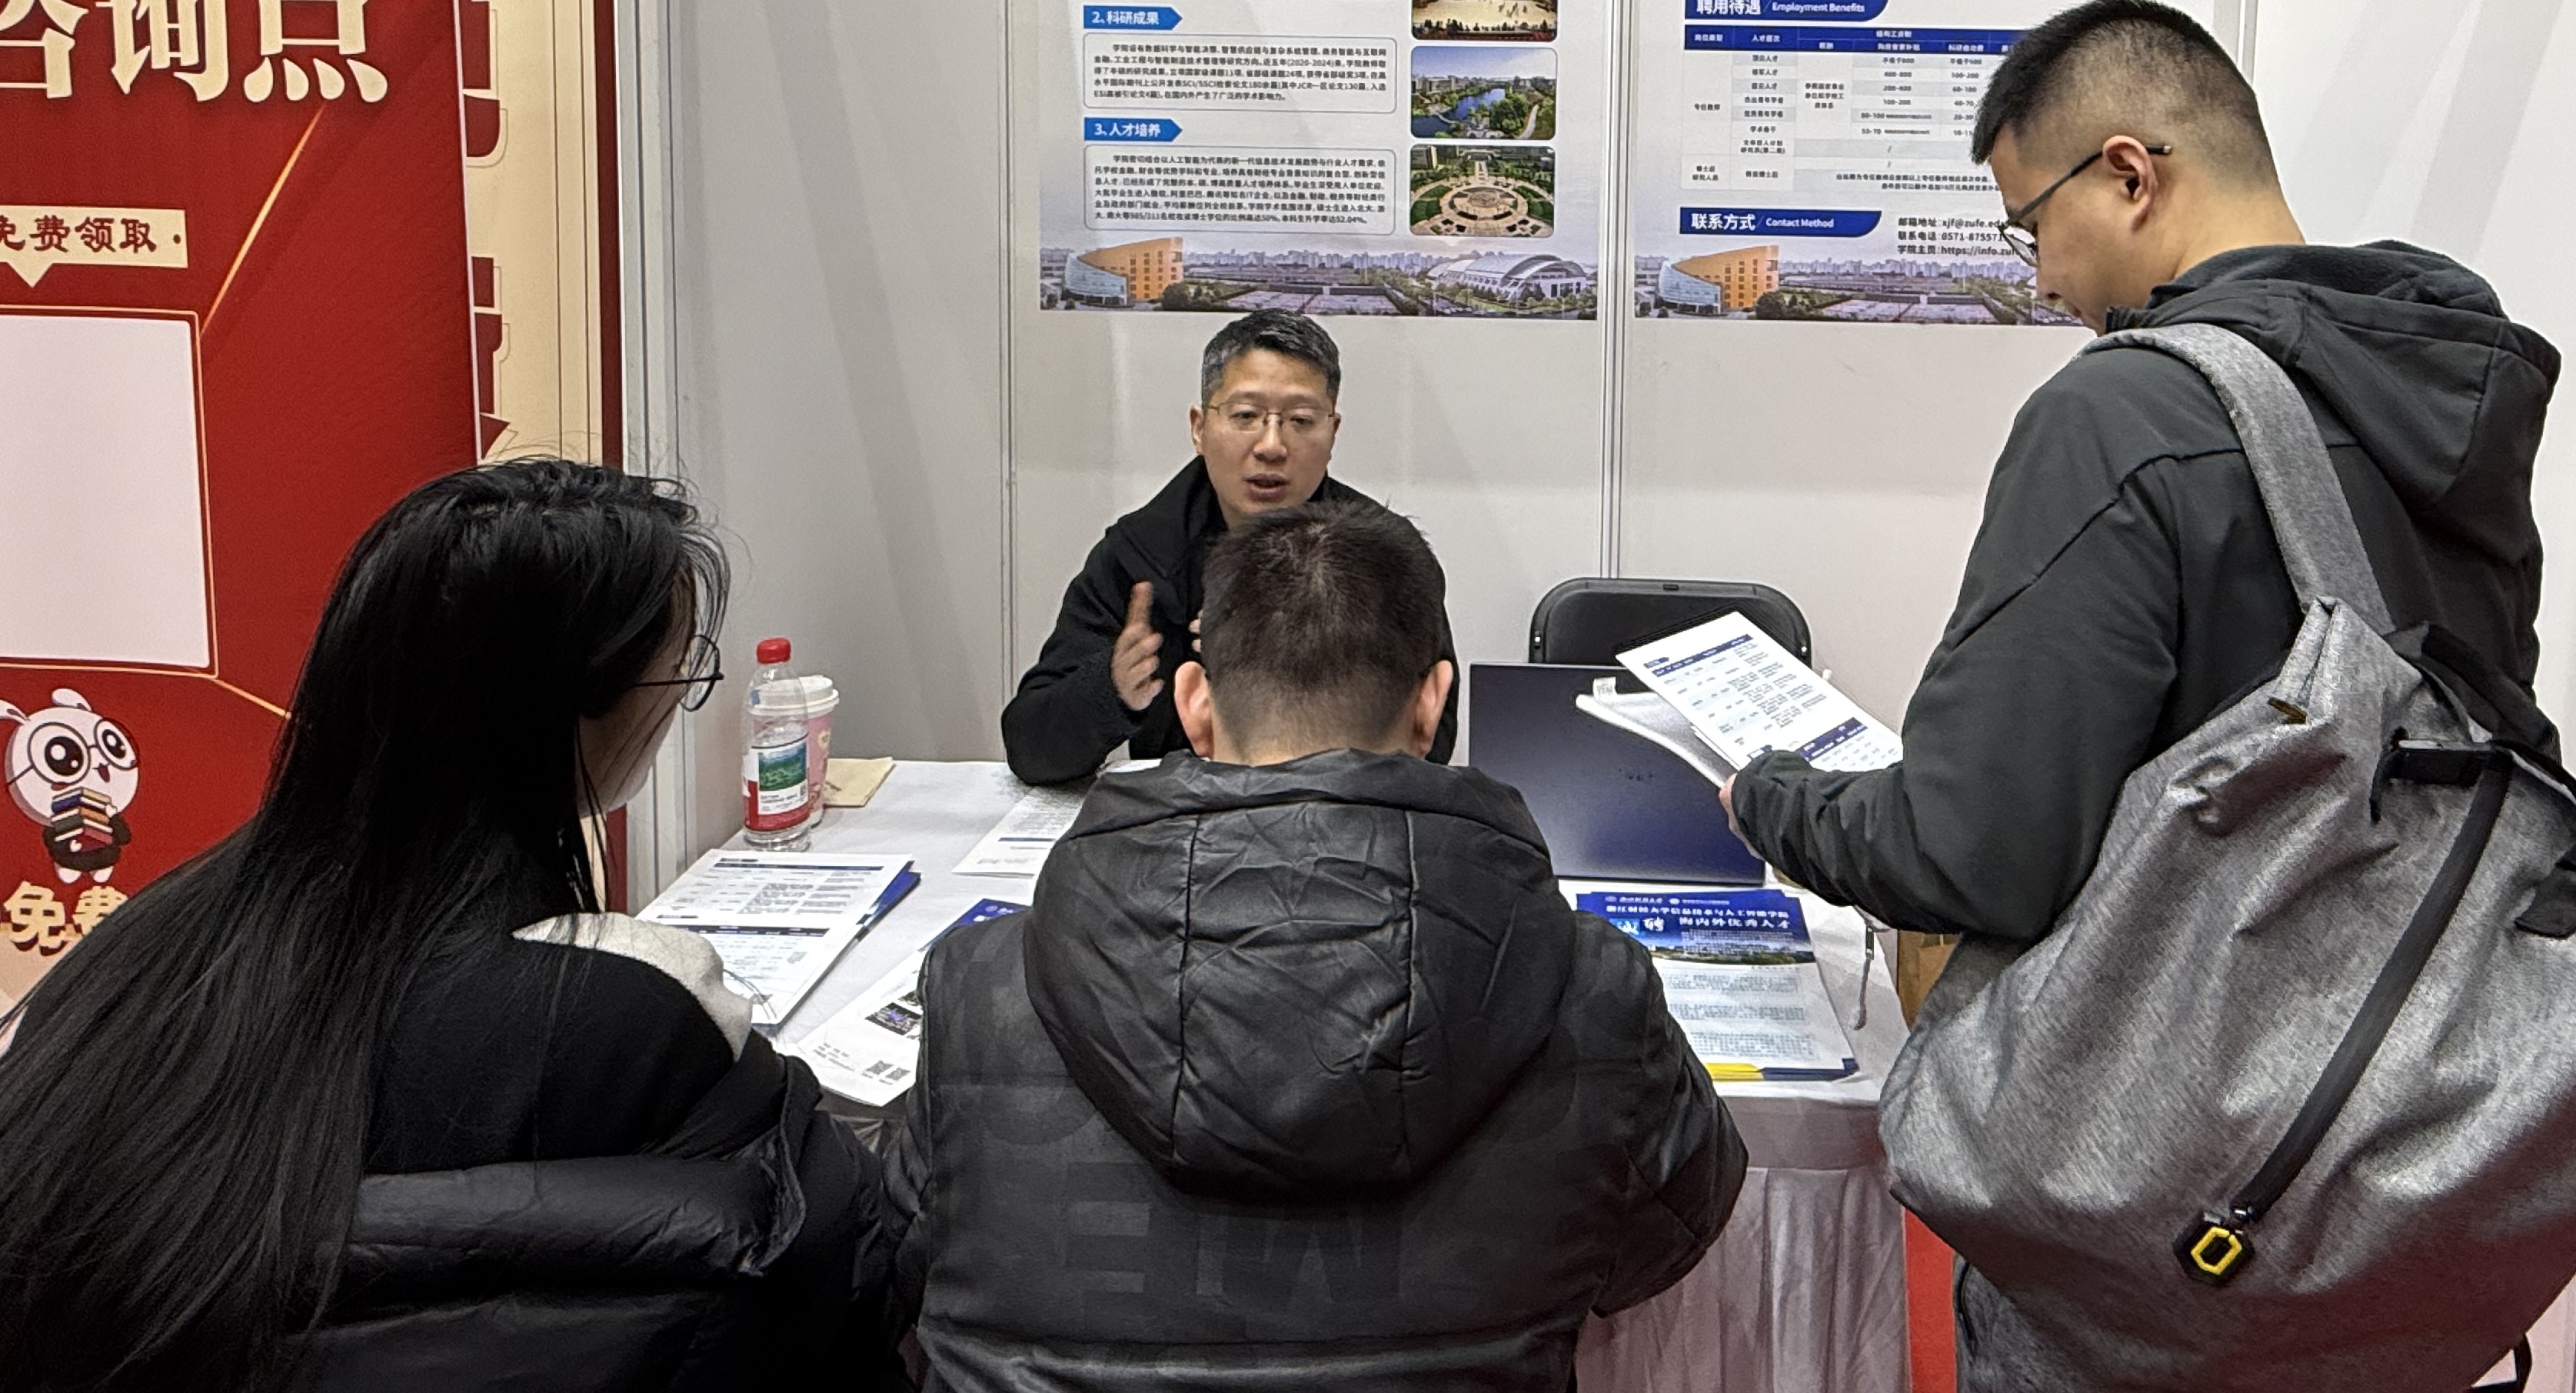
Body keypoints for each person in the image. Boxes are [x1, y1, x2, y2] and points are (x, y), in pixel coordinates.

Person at [0, 462, 890, 1393]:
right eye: (677, 670)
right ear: (577, 701)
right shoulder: (627, 1000)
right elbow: (830, 1237)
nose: (673, 701)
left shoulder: (140, 948)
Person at [1731, 0, 2563, 948]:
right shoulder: (2448, 379)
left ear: (2129, 175)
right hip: (2434, 991)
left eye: (2031, 226)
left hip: (2216, 1019)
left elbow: (1974, 854)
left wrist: (1771, 799)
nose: (2042, 279)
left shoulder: (2124, 415)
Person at [891, 501, 1746, 1393]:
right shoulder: (1593, 988)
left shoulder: (979, 989)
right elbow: (1667, 1236)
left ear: (1195, 705)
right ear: (1432, 706)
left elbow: (905, 1255)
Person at [1000, 310, 1455, 784]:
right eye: (1246, 416)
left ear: (1333, 432)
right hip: (1186, 812)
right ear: (1199, 428)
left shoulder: (1383, 556)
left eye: (1300, 420)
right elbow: (1031, 748)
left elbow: (1434, 737)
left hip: (1339, 804)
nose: (1271, 445)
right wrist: (1110, 688)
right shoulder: (1141, 555)